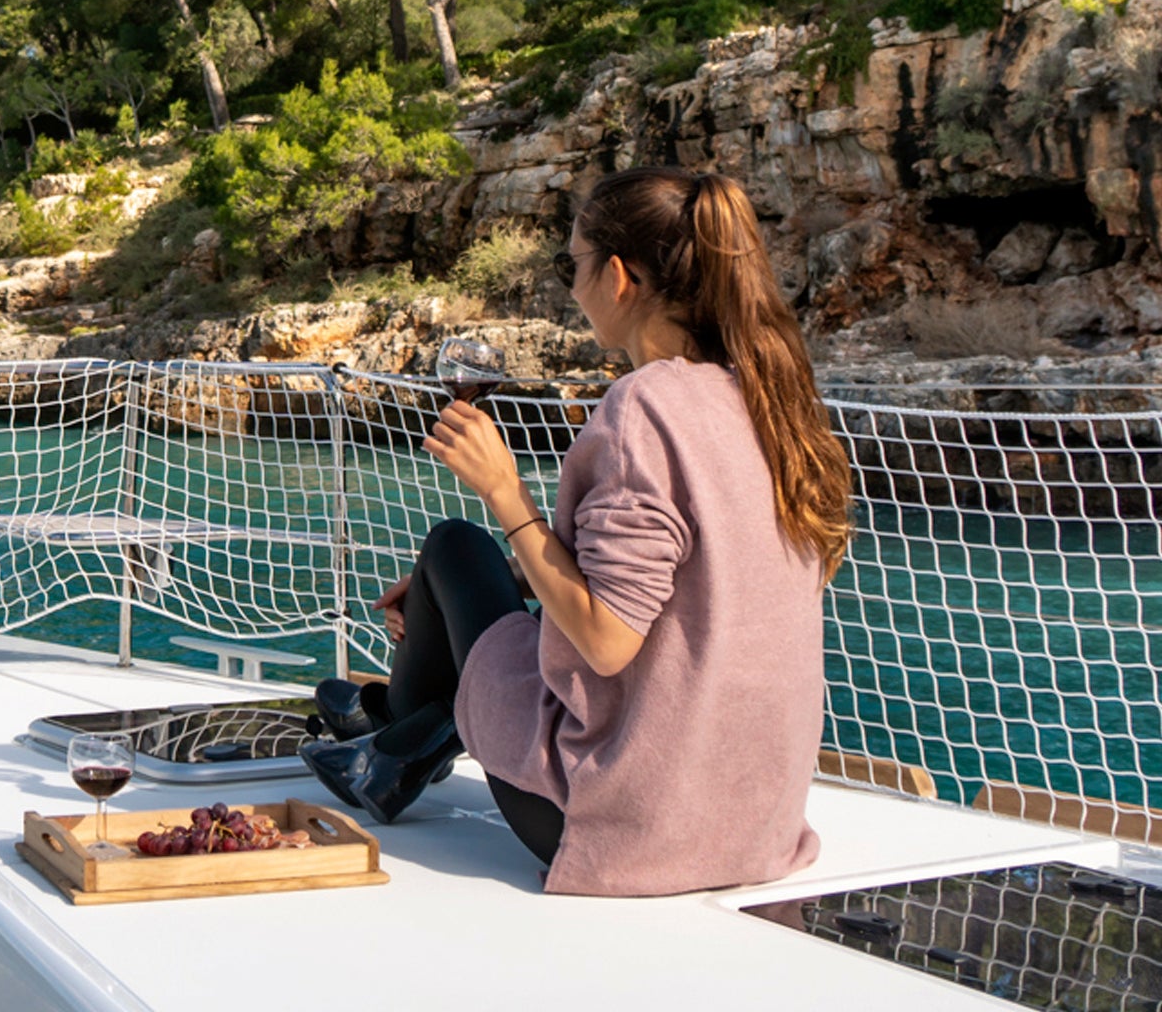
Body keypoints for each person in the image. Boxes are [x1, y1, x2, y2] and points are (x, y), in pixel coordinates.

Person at [300, 166, 853, 897]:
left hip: (618, 823)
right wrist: (511, 576)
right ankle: (401, 737)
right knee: (464, 568)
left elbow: (606, 639)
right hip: (755, 826)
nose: (571, 284)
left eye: (573, 264)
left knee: (456, 546)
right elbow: (695, 575)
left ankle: (401, 734)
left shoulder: (644, 410)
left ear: (619, 277)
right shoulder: (773, 399)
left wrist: (505, 491)